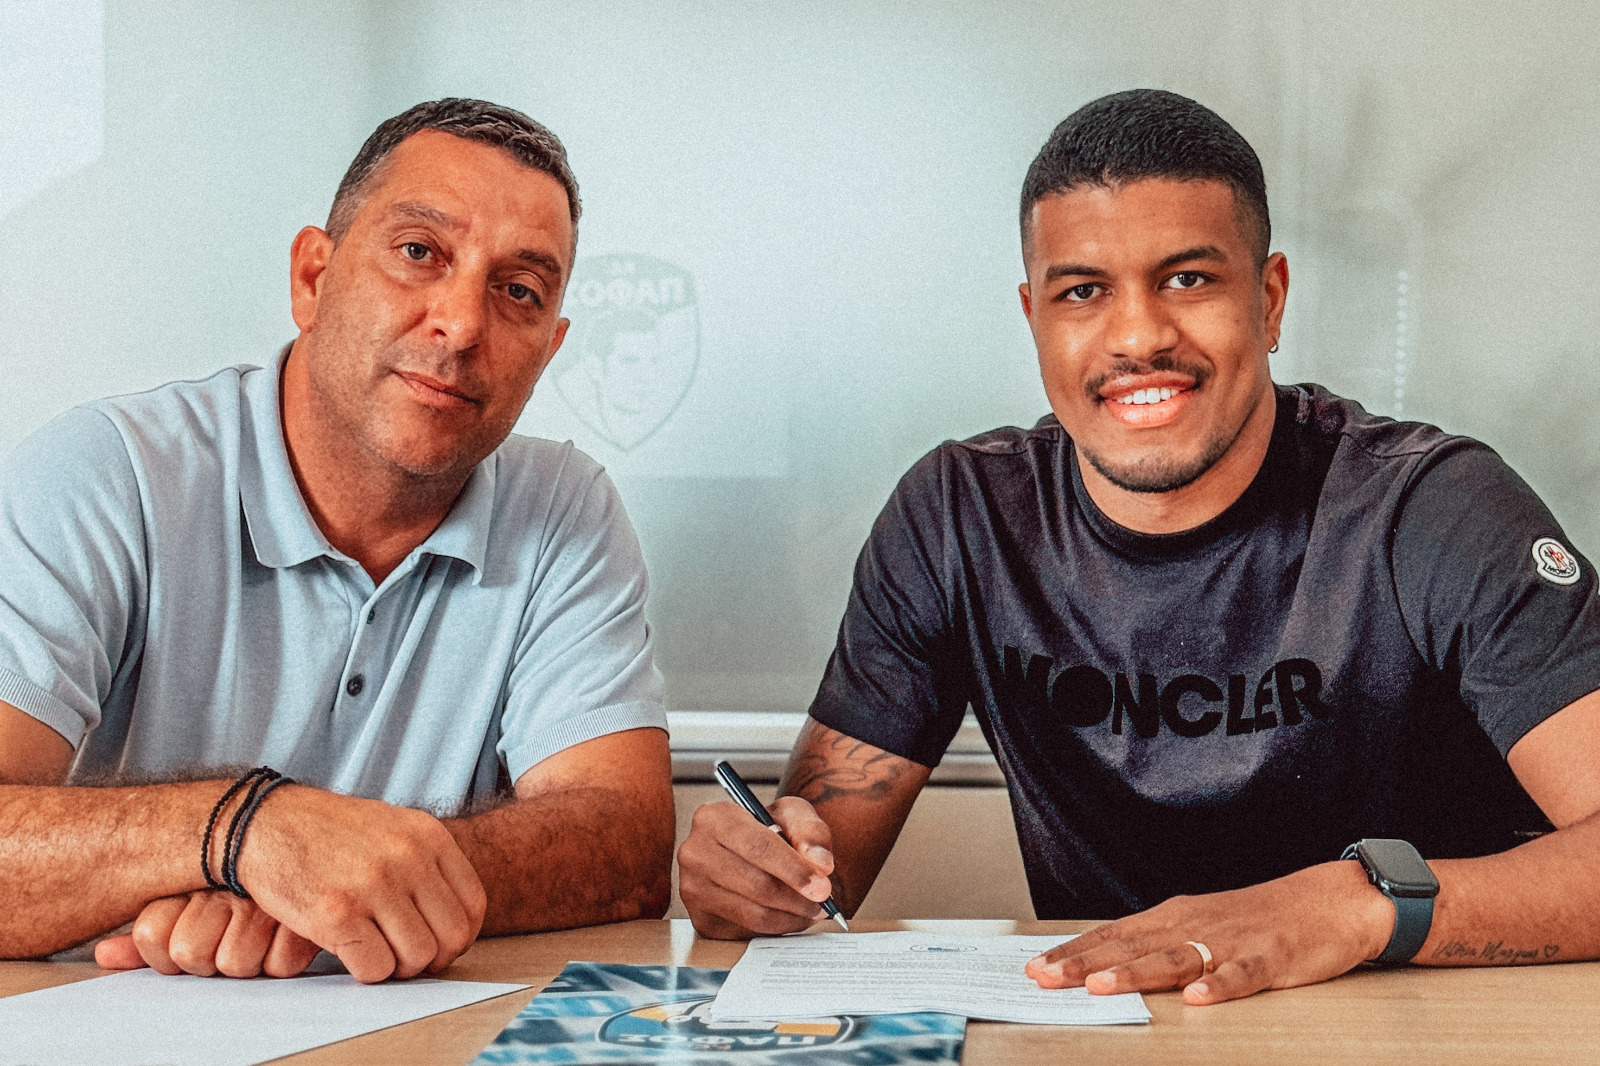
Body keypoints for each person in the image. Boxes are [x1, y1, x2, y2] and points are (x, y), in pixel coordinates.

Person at [677, 89, 1600, 1005]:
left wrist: (1352, 907)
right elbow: (811, 875)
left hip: (1418, 1028)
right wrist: (754, 878)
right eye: (1083, 292)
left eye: (1188, 280)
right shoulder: (959, 518)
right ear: (1034, 318)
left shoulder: (1431, 508)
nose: (1139, 337)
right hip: (1118, 1029)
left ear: (1270, 300)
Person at [0, 99, 674, 982]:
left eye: (518, 291)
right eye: (419, 252)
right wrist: (243, 831)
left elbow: (624, 845)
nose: (462, 324)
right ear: (312, 279)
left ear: (548, 350)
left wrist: (331, 892)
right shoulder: (102, 475)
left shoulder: (564, 507)